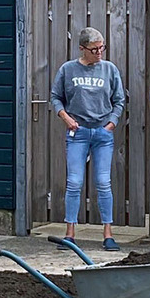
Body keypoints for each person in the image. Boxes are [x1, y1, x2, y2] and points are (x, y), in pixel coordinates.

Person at [50, 27, 126, 252]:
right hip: (78, 132)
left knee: (103, 182)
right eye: (94, 49)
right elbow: (56, 97)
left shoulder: (109, 69)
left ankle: (108, 234)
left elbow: (119, 100)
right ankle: (70, 234)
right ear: (82, 48)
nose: (99, 52)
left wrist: (111, 123)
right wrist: (65, 117)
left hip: (102, 133)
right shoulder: (68, 69)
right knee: (74, 182)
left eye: (102, 48)